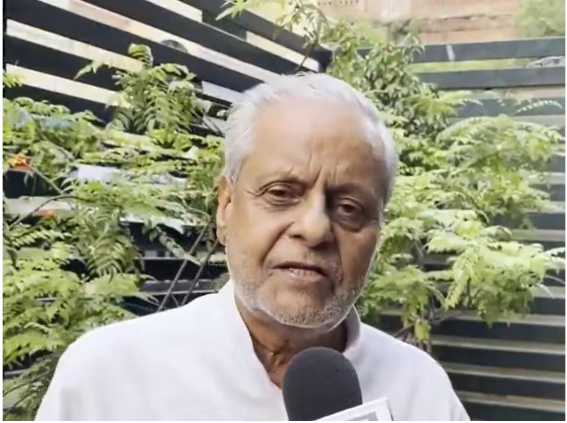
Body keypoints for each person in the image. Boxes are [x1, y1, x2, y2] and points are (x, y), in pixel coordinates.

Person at [36, 73, 469, 421]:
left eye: (349, 208)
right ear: (226, 206)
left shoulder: (420, 390)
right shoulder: (107, 376)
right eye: (281, 193)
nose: (314, 229)